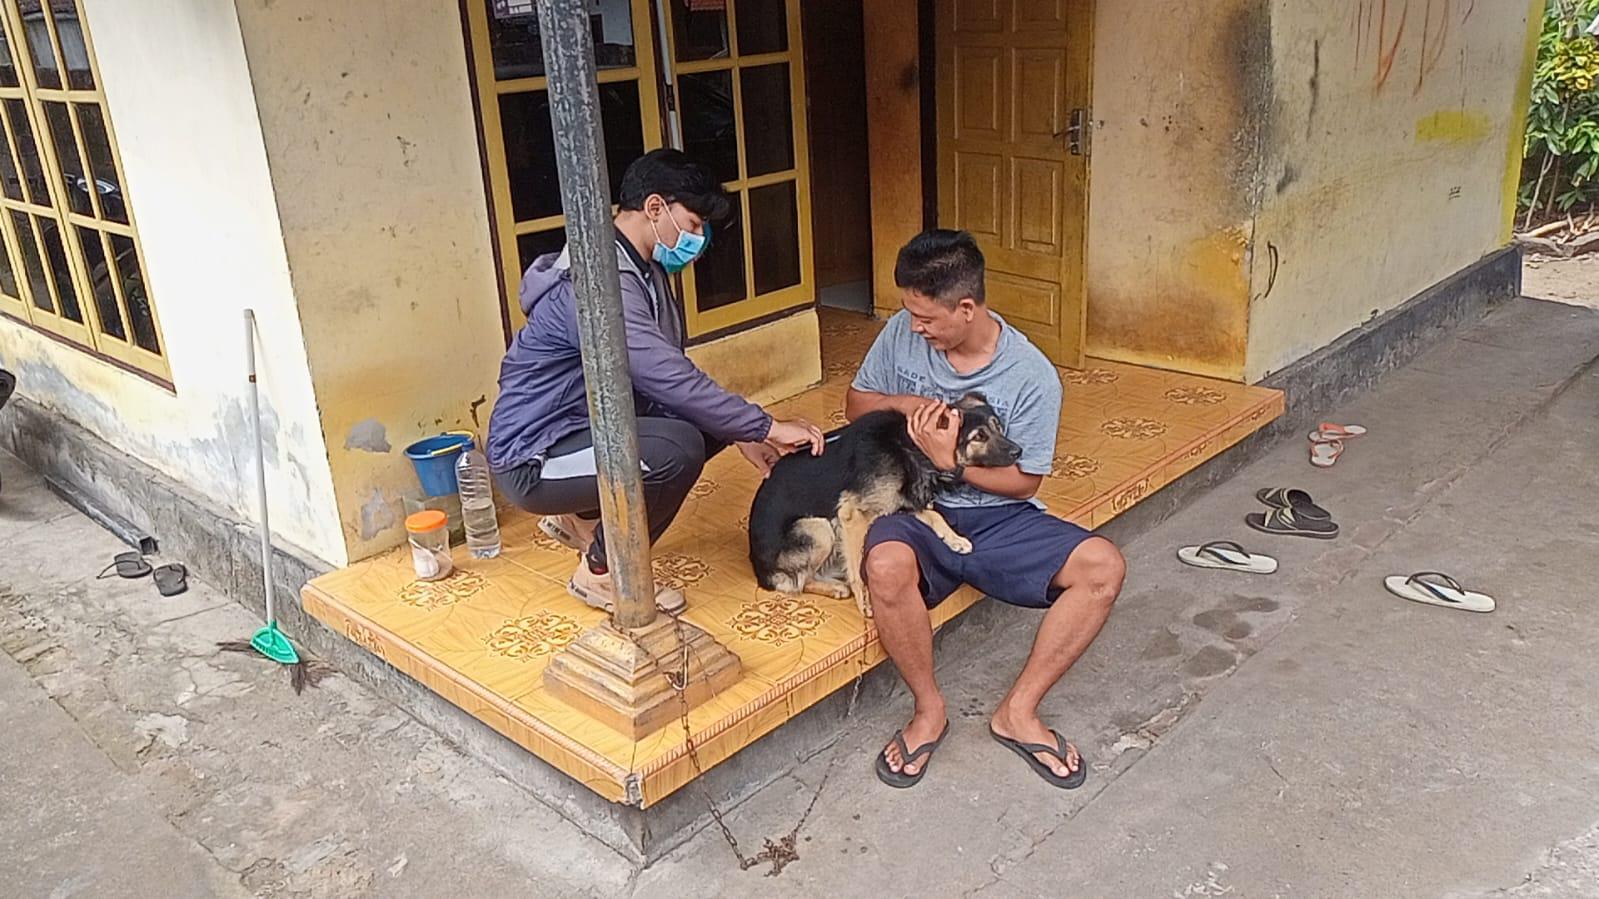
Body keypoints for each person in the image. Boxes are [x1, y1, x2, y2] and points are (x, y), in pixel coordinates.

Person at [845, 229, 1126, 789]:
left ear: (966, 307)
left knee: (1104, 569)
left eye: (926, 318)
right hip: (911, 506)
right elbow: (856, 404)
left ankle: (1018, 711)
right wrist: (908, 405)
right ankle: (929, 710)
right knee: (885, 566)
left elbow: (1024, 483)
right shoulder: (903, 333)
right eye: (910, 314)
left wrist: (951, 463)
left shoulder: (1031, 376)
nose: (914, 327)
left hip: (996, 515)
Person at [487, 149, 823, 615]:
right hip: (533, 455)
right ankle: (602, 574)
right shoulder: (600, 283)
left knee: (705, 425)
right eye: (693, 222)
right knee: (677, 451)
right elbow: (665, 377)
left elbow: (669, 377)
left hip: (581, 430)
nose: (699, 237)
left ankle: (584, 519)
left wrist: (742, 432)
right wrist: (765, 427)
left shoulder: (642, 267)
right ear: (654, 208)